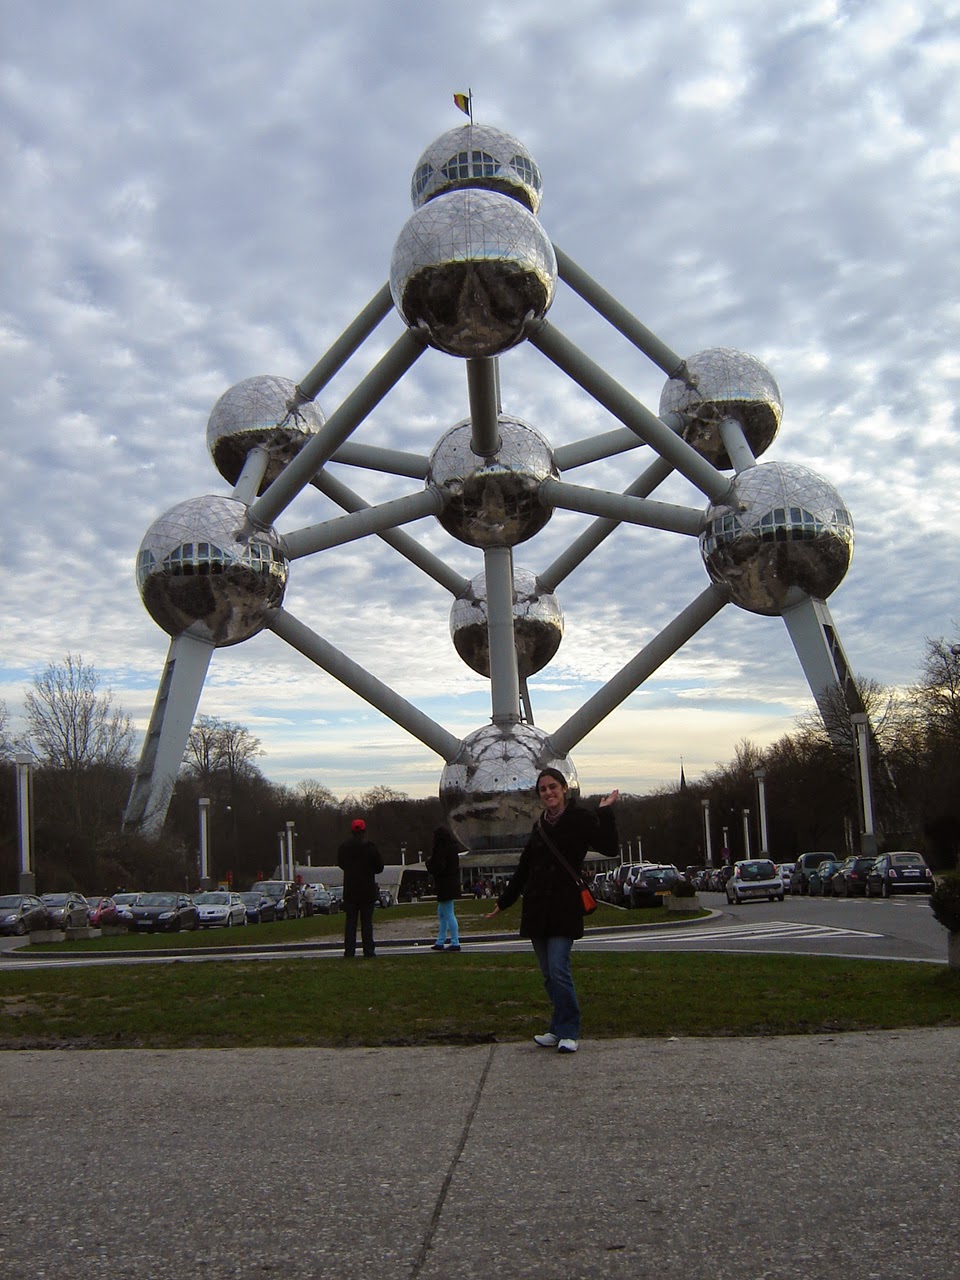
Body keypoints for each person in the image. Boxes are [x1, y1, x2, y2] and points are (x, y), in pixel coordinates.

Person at [485, 768, 618, 1054]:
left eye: (553, 787)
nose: (548, 793)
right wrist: (505, 901)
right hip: (537, 907)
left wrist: (605, 812)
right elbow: (524, 867)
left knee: (559, 969)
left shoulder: (581, 819)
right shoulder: (539, 825)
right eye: (543, 789)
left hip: (564, 906)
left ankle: (570, 1029)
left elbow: (609, 846)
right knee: (548, 974)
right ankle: (557, 1027)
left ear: (564, 788)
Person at [337, 818, 384, 958]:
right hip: (367, 890)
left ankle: (349, 951)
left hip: (350, 890)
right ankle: (369, 951)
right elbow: (379, 867)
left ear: (352, 831)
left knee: (350, 923)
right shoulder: (370, 847)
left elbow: (341, 864)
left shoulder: (344, 847)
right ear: (364, 831)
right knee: (367, 924)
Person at [425, 826, 463, 952]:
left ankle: (455, 941)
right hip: (451, 883)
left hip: (444, 884)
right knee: (443, 913)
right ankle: (440, 941)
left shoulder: (440, 849)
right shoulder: (453, 848)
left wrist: (429, 864)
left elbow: (438, 866)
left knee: (448, 914)